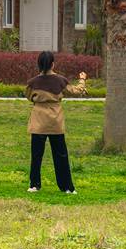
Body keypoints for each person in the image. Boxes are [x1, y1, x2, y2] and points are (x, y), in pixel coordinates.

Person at [25, 51, 87, 193]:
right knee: (61, 155)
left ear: (39, 64)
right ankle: (67, 187)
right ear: (53, 64)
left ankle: (34, 185)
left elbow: (28, 96)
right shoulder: (60, 81)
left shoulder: (33, 82)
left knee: (36, 156)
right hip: (55, 121)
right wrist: (82, 79)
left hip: (38, 121)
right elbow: (76, 91)